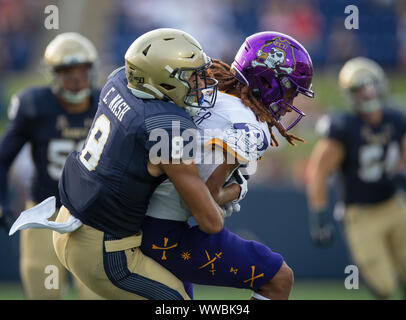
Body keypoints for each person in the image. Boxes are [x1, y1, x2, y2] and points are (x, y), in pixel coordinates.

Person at [48, 28, 227, 300]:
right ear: (163, 81)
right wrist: (229, 191)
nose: (201, 85)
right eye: (191, 77)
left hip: (70, 218)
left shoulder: (119, 80)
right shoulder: (168, 127)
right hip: (102, 246)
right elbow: (210, 222)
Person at [139, 31, 315, 300]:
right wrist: (232, 192)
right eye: (290, 92)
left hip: (137, 210)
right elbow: (205, 203)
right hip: (163, 230)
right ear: (269, 83)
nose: (291, 105)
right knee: (279, 278)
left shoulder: (210, 90)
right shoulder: (249, 125)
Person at [0, 32, 102, 300]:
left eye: (82, 70)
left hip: (94, 214)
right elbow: (3, 156)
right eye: (67, 71)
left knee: (96, 294)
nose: (76, 79)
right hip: (44, 210)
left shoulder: (107, 105)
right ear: (53, 74)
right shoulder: (35, 105)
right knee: (43, 292)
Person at [306, 57, 406, 299]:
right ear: (349, 95)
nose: (366, 94)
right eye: (358, 90)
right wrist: (318, 216)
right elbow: (318, 170)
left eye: (369, 86)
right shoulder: (343, 127)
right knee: (383, 285)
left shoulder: (396, 120)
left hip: (393, 205)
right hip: (360, 215)